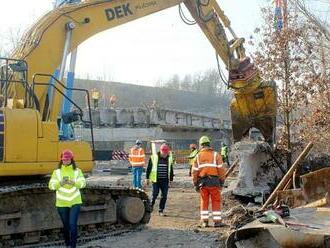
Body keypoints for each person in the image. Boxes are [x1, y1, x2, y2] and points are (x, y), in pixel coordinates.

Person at [48, 149, 86, 248]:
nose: (66, 161)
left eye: (68, 160)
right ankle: (67, 244)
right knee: (66, 226)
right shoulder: (57, 172)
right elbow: (51, 186)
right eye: (64, 160)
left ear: (71, 160)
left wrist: (73, 183)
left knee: (72, 225)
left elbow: (83, 184)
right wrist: (60, 183)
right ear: (61, 160)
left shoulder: (77, 171)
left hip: (75, 202)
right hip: (62, 203)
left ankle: (73, 246)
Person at [193, 136, 226, 228]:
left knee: (204, 201)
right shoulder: (216, 155)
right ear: (209, 144)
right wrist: (222, 181)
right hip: (214, 182)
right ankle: (217, 222)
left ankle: (205, 222)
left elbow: (194, 171)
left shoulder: (198, 156)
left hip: (202, 182)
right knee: (216, 201)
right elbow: (221, 170)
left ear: (201, 145)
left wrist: (195, 183)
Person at [146, 143, 174, 216]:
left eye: (166, 153)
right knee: (154, 194)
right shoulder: (154, 157)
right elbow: (148, 168)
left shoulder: (169, 158)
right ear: (161, 151)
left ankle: (161, 210)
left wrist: (171, 180)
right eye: (164, 153)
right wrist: (147, 178)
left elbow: (171, 170)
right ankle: (150, 207)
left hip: (165, 181)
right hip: (156, 180)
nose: (165, 155)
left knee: (164, 196)